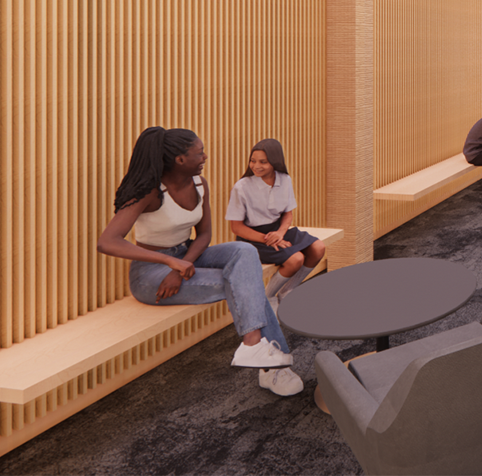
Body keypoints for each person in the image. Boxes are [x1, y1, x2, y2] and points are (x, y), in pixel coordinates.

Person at [96, 127, 302, 396]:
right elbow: (107, 241)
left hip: (188, 254)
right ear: (180, 160)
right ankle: (272, 369)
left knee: (244, 252)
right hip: (151, 274)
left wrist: (184, 263)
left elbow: (204, 234)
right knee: (245, 284)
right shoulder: (149, 191)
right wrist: (169, 264)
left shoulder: (199, 184)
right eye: (199, 152)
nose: (205, 156)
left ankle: (253, 347)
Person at [226, 138, 327, 313]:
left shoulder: (284, 179)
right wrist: (269, 240)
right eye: (253, 161)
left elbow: (288, 213)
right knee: (296, 259)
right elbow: (236, 227)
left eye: (263, 162)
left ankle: (288, 290)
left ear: (275, 161)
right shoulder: (241, 187)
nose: (256, 166)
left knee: (318, 247)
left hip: (278, 230)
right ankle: (268, 296)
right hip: (253, 238)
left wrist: (280, 233)